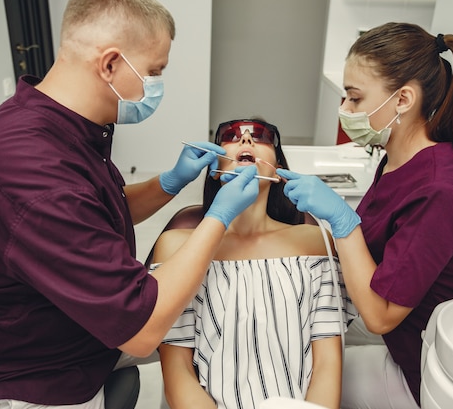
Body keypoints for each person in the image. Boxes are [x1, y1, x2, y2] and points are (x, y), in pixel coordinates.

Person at [0, 0, 260, 408]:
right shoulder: (31, 170)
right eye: (154, 72)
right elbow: (141, 329)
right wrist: (219, 217)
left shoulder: (60, 125)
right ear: (109, 64)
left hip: (72, 334)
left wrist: (170, 182)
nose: (157, 85)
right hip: (23, 378)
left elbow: (94, 210)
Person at [276, 22, 453, 408]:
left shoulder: (438, 190)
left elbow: (379, 315)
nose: (344, 110)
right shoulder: (397, 158)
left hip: (429, 369)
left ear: (403, 99)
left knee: (294, 381)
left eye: (355, 99)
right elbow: (377, 246)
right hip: (404, 337)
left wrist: (342, 219)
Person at [150, 118, 357, 409]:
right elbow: (178, 370)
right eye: (231, 135)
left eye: (260, 136)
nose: (246, 140)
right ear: (213, 168)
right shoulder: (176, 247)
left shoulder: (314, 243)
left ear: (278, 167)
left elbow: (327, 365)